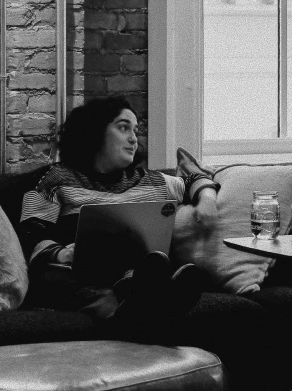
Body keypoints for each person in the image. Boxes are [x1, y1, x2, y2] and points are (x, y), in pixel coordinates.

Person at [17, 96, 219, 327]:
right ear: (95, 131)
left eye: (135, 130)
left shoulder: (152, 181)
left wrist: (207, 199)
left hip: (137, 271)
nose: (134, 139)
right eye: (124, 128)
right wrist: (61, 253)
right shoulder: (56, 178)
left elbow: (194, 179)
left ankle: (144, 301)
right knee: (79, 287)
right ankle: (150, 306)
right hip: (81, 276)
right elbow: (30, 233)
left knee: (145, 273)